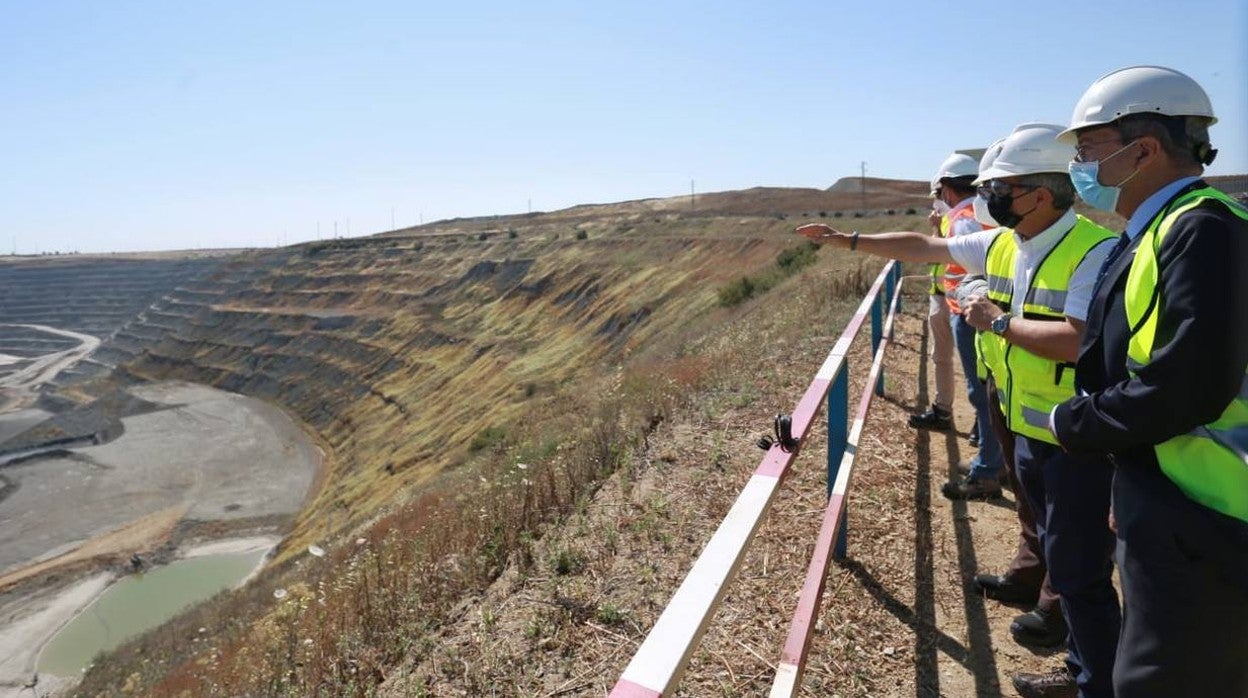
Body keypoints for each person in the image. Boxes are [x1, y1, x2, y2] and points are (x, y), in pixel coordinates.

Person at [798, 122, 1120, 698]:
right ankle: (1049, 608)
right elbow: (923, 247)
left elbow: (1077, 340)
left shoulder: (1093, 252)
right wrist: (848, 240)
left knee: (1082, 561)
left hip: (1073, 429)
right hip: (1020, 413)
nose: (988, 198)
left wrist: (995, 321)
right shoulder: (1004, 243)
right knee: (1043, 526)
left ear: (1040, 195)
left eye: (1001, 188)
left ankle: (1092, 677)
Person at [1051, 65, 1248, 697]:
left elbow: (1185, 385)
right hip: (1167, 494)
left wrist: (1074, 422)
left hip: (1208, 517)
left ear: (1145, 150)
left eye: (1088, 148)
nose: (1080, 165)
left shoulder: (1204, 230)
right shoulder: (1161, 229)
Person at [930, 154, 1006, 500]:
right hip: (984, 308)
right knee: (989, 390)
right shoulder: (986, 209)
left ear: (946, 188)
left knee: (983, 392)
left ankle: (988, 470)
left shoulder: (963, 218)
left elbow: (968, 265)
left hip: (972, 311)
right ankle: (992, 458)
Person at [909, 153, 979, 438]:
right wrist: (938, 227)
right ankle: (949, 412)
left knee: (974, 369)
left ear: (947, 189)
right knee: (947, 358)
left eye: (939, 193)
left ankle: (980, 423)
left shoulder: (965, 217)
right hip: (944, 296)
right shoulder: (958, 217)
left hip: (963, 303)